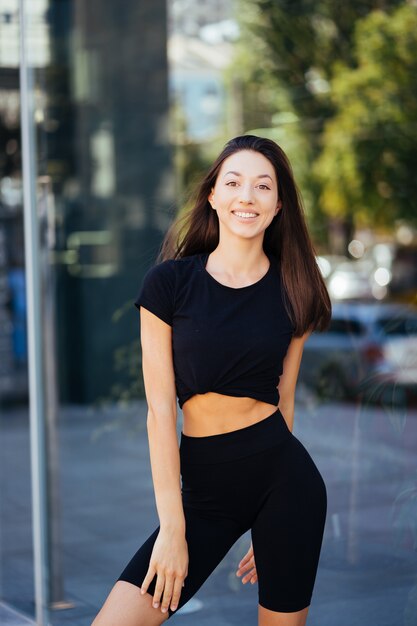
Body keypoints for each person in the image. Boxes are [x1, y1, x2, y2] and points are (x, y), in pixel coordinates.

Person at [92, 135, 331, 626]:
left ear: (278, 204)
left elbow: (283, 402)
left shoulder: (296, 289)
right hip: (202, 493)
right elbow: (160, 412)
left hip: (285, 484)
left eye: (263, 186)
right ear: (213, 196)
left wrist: (274, 529)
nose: (248, 196)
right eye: (234, 182)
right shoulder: (169, 284)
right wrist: (172, 528)